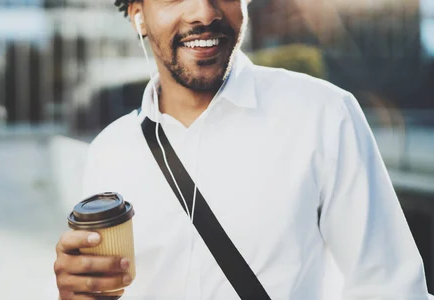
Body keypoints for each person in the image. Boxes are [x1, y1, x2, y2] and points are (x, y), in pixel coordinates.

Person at [52, 0, 429, 299]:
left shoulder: (324, 116)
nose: (204, 12)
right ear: (138, 16)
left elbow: (390, 288)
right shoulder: (110, 151)